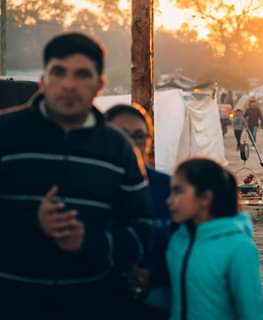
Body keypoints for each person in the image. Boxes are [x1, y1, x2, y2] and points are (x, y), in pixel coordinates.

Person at [0, 32, 154, 319]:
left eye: (81, 74)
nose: (69, 85)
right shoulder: (5, 134)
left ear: (99, 85)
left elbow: (142, 231)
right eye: (59, 72)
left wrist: (91, 242)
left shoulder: (118, 149)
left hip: (91, 305)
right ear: (43, 80)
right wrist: (33, 223)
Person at [166, 158, 263, 320]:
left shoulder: (240, 249)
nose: (169, 201)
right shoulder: (178, 241)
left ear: (205, 198)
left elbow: (252, 313)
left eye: (178, 191)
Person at [106, 103, 173, 319]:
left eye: (139, 136)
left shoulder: (170, 188)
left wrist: (152, 274)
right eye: (121, 135)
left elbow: (185, 243)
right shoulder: (86, 187)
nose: (131, 143)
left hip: (158, 299)